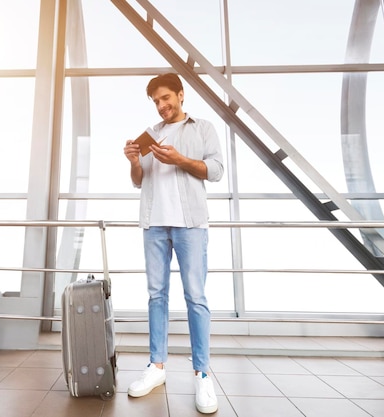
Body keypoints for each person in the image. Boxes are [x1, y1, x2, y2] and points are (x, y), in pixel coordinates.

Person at [122, 73, 224, 414]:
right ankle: (157, 367)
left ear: (181, 95)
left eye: (166, 98)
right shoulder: (150, 135)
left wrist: (179, 159)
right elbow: (139, 181)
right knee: (156, 295)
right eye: (156, 101)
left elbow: (216, 170)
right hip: (154, 224)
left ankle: (202, 374)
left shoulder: (202, 128)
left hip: (191, 225)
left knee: (196, 297)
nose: (162, 105)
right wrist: (135, 162)